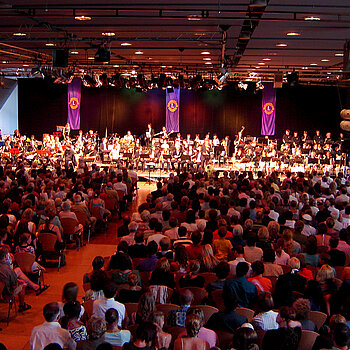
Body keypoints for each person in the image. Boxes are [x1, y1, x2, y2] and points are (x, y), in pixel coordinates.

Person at [0, 246, 32, 312]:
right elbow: (14, 285)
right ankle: (22, 305)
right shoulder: (8, 269)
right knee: (22, 285)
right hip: (5, 294)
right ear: (6, 256)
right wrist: (19, 282)